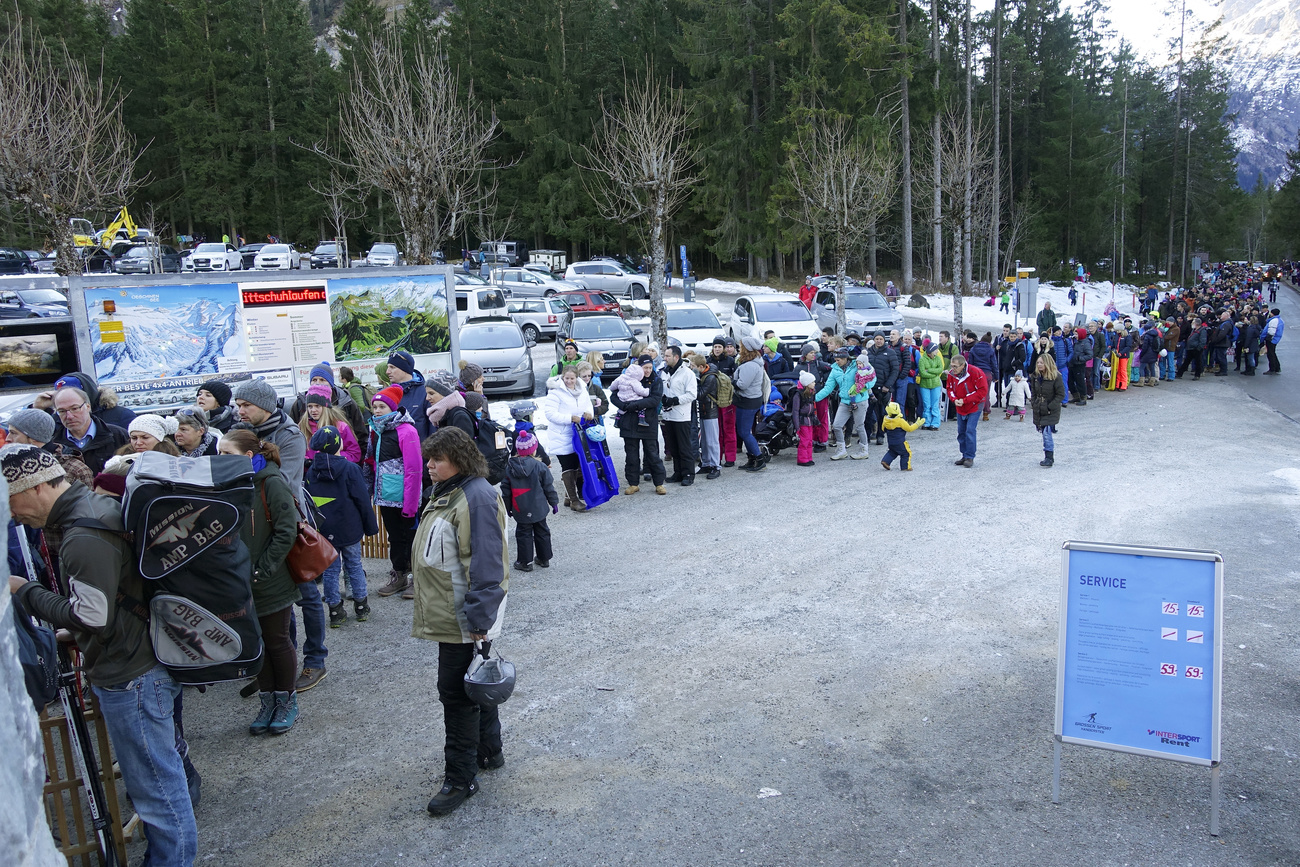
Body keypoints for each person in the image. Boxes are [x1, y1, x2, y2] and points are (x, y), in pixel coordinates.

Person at [6, 445, 198, 862]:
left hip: (131, 673)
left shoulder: (82, 536)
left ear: (36, 488)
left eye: (10, 498)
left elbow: (93, 618)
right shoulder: (92, 507)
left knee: (157, 793)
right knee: (159, 783)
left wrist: (28, 592)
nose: (10, 512)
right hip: (141, 660)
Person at [412, 427, 509, 817]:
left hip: (464, 617)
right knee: (475, 684)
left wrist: (480, 622)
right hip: (458, 613)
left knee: (456, 694)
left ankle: (460, 777)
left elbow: (487, 565)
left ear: (461, 459)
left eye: (438, 459)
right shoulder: (452, 491)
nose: (430, 466)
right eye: (429, 458)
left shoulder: (477, 498)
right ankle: (490, 752)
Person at [219, 430, 303, 735]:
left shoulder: (270, 482)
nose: (220, 459)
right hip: (238, 582)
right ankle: (267, 702)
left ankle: (287, 702)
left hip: (269, 581)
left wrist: (261, 570)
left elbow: (286, 532)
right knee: (256, 645)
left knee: (277, 641)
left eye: (226, 454)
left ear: (247, 456)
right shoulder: (227, 485)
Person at [306, 425, 378, 627]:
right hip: (350, 528)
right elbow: (363, 500)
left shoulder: (312, 470)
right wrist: (370, 526)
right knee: (353, 564)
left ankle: (335, 611)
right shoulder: (350, 469)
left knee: (330, 569)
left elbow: (309, 501)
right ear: (338, 444)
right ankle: (361, 606)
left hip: (325, 530)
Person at [368, 385, 424, 599]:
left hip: (404, 497)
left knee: (410, 536)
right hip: (385, 496)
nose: (377, 410)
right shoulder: (376, 429)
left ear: (393, 408)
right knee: (394, 538)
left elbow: (414, 469)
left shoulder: (406, 430)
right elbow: (371, 462)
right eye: (375, 406)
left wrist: (410, 505)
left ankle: (415, 578)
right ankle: (399, 574)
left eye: (382, 406)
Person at [233, 378, 307, 499]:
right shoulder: (240, 431)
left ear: (265, 406)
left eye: (246, 405)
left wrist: (249, 445)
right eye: (238, 405)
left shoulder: (291, 437)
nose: (240, 411)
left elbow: (278, 483)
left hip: (282, 512)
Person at [501, 430, 557, 572]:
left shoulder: (509, 468)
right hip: (539, 508)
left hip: (520, 508)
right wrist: (554, 502)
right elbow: (548, 487)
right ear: (534, 449)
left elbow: (506, 491)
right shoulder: (541, 467)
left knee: (523, 534)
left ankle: (525, 562)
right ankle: (544, 558)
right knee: (542, 531)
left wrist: (507, 507)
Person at [543, 367, 596, 506]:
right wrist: (570, 418)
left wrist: (589, 413)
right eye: (566, 378)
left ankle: (570, 496)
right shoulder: (555, 392)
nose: (569, 381)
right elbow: (550, 413)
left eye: (572, 378)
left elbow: (588, 404)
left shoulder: (582, 389)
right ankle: (574, 500)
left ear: (577, 378)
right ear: (562, 377)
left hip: (578, 434)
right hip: (561, 435)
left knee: (578, 465)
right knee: (568, 466)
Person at [5, 408, 94, 487]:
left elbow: (88, 504)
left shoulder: (75, 470)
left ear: (33, 437)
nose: (7, 438)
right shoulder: (10, 465)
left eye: (13, 433)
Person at [50, 386, 128, 475]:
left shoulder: (117, 435)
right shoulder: (54, 444)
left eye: (75, 408)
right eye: (62, 411)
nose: (69, 416)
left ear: (88, 407)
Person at [815, 348, 875, 461]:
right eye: (835, 360)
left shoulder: (858, 363)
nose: (836, 362)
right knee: (837, 425)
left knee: (859, 426)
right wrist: (815, 398)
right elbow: (828, 387)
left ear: (845, 358)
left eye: (838, 360)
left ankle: (864, 450)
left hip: (860, 400)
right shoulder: (835, 370)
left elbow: (872, 376)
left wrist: (865, 387)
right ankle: (841, 450)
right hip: (845, 401)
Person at [287, 362, 368, 445]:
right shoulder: (301, 403)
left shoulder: (346, 401)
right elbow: (291, 432)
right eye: (314, 380)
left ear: (331, 383)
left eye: (322, 380)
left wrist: (354, 457)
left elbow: (361, 433)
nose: (318, 383)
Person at [660, 345, 698, 487]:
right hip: (668, 414)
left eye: (668, 356)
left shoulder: (687, 373)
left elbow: (692, 394)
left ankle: (688, 473)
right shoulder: (665, 372)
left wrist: (675, 400)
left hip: (682, 415)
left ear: (676, 357)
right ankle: (678, 471)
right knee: (673, 446)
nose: (665, 358)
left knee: (684, 446)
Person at [300, 384, 362, 464]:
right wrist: (306, 460)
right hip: (312, 473)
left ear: (326, 407)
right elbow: (297, 451)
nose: (313, 410)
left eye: (317, 406)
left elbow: (354, 454)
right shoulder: (302, 426)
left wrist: (335, 457)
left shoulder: (340, 427)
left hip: (335, 472)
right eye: (310, 406)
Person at [731, 338, 768, 472]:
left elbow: (742, 385)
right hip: (751, 399)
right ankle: (752, 458)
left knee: (744, 432)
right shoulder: (754, 362)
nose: (740, 349)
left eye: (741, 347)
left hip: (747, 401)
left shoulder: (750, 365)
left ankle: (759, 459)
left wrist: (731, 381)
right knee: (744, 431)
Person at [946, 354, 987, 468]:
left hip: (975, 405)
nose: (953, 369)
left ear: (963, 365)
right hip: (960, 405)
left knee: (970, 430)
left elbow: (982, 391)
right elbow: (949, 388)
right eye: (952, 366)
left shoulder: (976, 373)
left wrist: (965, 400)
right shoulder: (951, 374)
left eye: (955, 366)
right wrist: (954, 400)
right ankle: (964, 455)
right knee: (961, 431)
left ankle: (970, 456)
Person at [386, 351, 432, 439]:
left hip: (420, 449)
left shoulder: (425, 392)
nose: (387, 372)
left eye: (392, 367)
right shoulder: (387, 393)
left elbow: (433, 426)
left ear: (405, 369)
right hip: (393, 450)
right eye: (388, 367)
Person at [690, 353, 722, 479]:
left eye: (693, 366)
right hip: (704, 410)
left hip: (711, 411)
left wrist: (695, 382)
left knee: (712, 440)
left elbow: (701, 394)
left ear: (701, 366)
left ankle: (715, 466)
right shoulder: (705, 374)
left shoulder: (710, 377)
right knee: (704, 440)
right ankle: (706, 463)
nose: (691, 368)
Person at [1031, 354, 1065, 467]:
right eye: (1038, 363)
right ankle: (1048, 456)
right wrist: (1034, 403)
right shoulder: (1035, 376)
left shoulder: (1056, 376)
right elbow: (1033, 392)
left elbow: (1060, 395)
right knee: (1043, 432)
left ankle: (1049, 457)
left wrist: (1050, 406)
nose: (1039, 365)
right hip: (1039, 408)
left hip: (1051, 410)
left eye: (1041, 363)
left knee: (1046, 434)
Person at [880, 401, 922, 470]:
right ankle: (905, 467)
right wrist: (917, 424)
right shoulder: (900, 421)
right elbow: (909, 429)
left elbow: (883, 429)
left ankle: (886, 461)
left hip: (890, 441)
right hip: (900, 442)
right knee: (906, 453)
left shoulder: (885, 419)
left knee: (892, 451)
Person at [916, 342, 945, 430]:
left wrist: (929, 370)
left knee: (935, 404)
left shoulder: (938, 359)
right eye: (935, 350)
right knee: (926, 404)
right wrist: (934, 374)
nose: (937, 351)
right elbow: (923, 373)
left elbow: (940, 369)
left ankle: (935, 423)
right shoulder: (922, 359)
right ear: (931, 350)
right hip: (925, 385)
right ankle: (927, 422)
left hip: (936, 385)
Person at [792, 371, 818, 467]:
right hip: (802, 421)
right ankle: (802, 459)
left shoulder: (810, 394)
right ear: (807, 383)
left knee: (810, 440)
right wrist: (797, 425)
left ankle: (808, 458)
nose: (814, 383)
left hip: (809, 420)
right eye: (812, 382)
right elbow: (795, 411)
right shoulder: (798, 395)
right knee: (804, 440)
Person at [1066, 327, 1093, 405]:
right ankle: (1076, 396)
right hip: (1072, 364)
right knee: (1070, 381)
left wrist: (1080, 358)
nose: (1075, 335)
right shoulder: (1076, 342)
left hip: (1079, 365)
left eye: (1077, 334)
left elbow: (1090, 355)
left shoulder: (1086, 343)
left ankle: (1083, 398)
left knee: (1080, 382)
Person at [1263, 308, 1283, 374]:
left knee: (1270, 354)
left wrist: (1265, 338)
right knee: (1273, 353)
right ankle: (1277, 367)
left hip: (1271, 339)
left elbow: (1271, 331)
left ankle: (1272, 369)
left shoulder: (1273, 321)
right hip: (1275, 339)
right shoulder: (1279, 320)